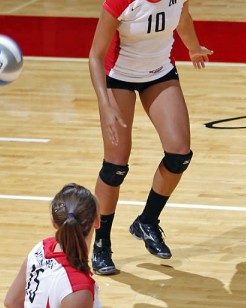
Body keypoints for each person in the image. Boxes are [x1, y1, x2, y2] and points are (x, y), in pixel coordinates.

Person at [88, 0, 213, 275]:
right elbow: (95, 56)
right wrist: (105, 105)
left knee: (179, 155)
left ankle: (147, 221)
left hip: (159, 73)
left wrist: (193, 47)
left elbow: (183, 18)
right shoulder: (121, 2)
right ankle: (101, 244)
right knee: (115, 167)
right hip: (117, 77)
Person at [4, 183, 102, 308]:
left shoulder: (41, 248)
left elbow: (12, 302)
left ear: (54, 223)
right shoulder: (78, 288)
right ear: (98, 222)